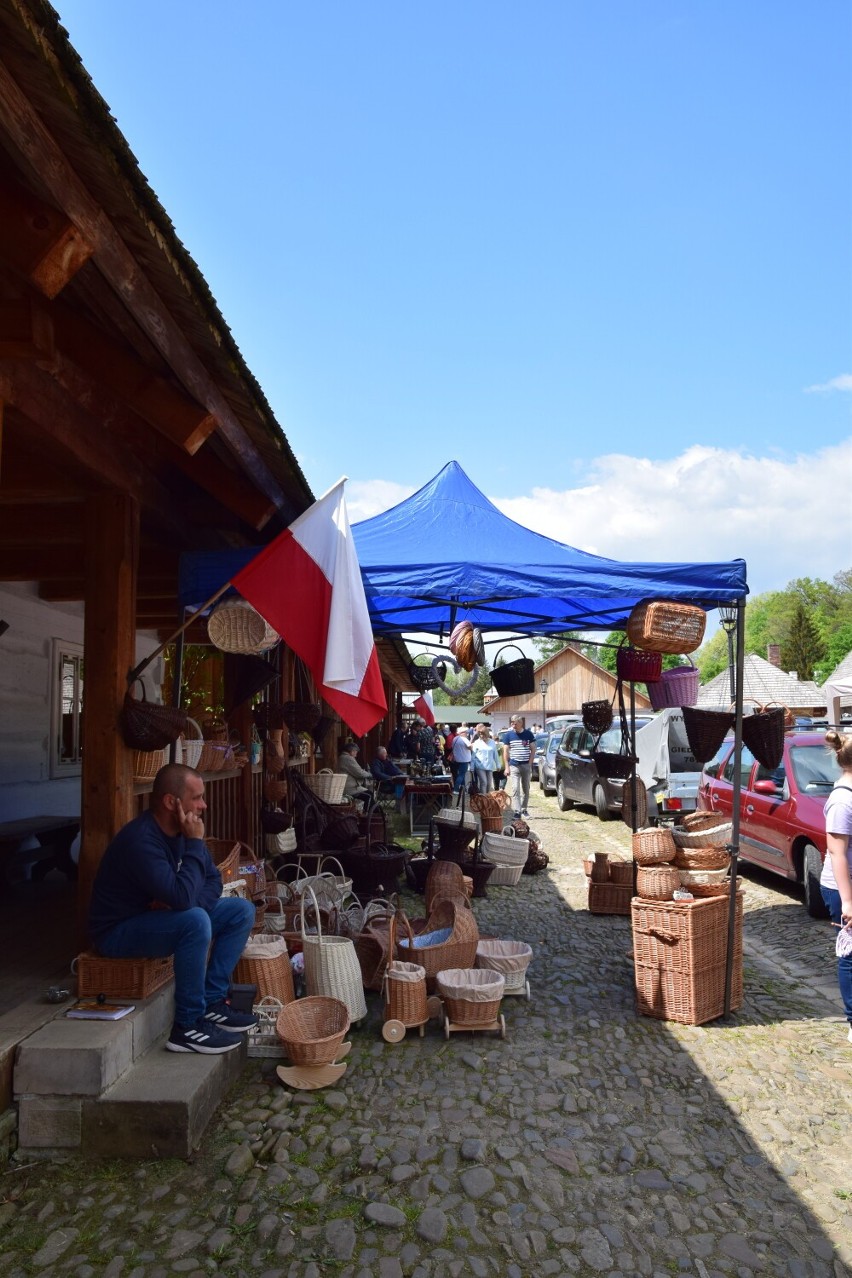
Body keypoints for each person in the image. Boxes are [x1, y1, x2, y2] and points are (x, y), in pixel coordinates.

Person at [88, 763, 258, 1055]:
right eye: (197, 798)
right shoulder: (142, 840)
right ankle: (188, 1025)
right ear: (171, 802)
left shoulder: (182, 831)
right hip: (118, 931)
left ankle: (213, 1001)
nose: (204, 805)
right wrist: (193, 846)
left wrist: (187, 902)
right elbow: (182, 898)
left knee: (239, 910)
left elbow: (213, 879)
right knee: (194, 921)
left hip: (157, 919)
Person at [819, 728, 852, 1044]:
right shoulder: (842, 800)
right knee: (851, 956)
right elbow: (837, 852)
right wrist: (847, 902)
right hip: (844, 888)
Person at [504, 714, 536, 816]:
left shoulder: (528, 734)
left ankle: (524, 809)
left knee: (526, 788)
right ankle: (517, 811)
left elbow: (533, 749)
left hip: (525, 765)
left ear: (521, 723)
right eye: (512, 723)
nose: (513, 725)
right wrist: (506, 767)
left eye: (515, 723)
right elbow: (505, 751)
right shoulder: (508, 735)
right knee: (515, 789)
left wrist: (530, 764)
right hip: (514, 765)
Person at [337, 741, 373, 807]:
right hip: (349, 788)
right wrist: (370, 775)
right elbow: (359, 773)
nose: (356, 753)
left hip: (346, 786)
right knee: (369, 795)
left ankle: (372, 812)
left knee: (369, 793)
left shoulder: (343, 757)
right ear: (352, 751)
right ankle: (367, 814)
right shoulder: (348, 758)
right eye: (356, 751)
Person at [471, 725, 500, 795]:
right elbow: (473, 756)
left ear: (486, 734)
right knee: (484, 782)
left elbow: (495, 754)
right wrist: (471, 768)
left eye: (482, 734)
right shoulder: (477, 742)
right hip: (480, 766)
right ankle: (483, 800)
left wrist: (498, 765)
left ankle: (487, 797)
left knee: (489, 784)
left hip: (489, 766)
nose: (481, 736)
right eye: (480, 734)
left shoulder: (492, 742)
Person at [450, 726, 473, 798]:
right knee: (462, 774)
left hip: (456, 759)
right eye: (466, 732)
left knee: (460, 774)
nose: (467, 734)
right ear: (463, 733)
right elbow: (470, 747)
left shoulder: (455, 738)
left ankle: (464, 790)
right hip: (464, 759)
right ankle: (456, 789)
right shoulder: (464, 739)